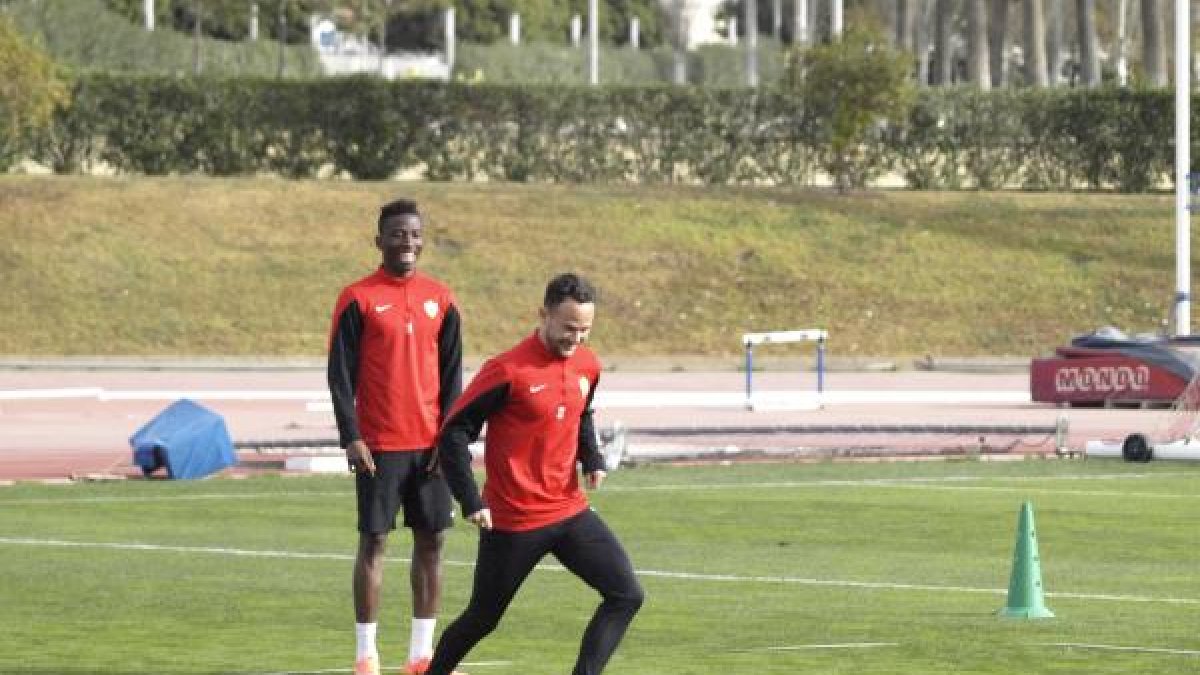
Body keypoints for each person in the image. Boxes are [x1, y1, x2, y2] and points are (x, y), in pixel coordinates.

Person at [426, 273, 645, 675]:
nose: (575, 339)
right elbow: (454, 433)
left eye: (584, 330)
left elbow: (582, 414)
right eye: (567, 328)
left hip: (569, 511)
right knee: (483, 618)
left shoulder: (587, 365)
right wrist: (470, 500)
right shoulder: (507, 371)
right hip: (514, 521)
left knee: (626, 595)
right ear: (543, 314)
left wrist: (592, 459)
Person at [327, 198, 467, 675]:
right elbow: (340, 375)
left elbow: (453, 377)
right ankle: (366, 655)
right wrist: (352, 435)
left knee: (432, 544)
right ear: (379, 240)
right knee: (374, 542)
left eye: (413, 234)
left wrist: (449, 441)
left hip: (431, 446)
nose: (406, 242)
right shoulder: (358, 297)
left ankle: (420, 655)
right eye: (397, 234)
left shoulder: (442, 298)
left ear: (422, 240)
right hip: (379, 446)